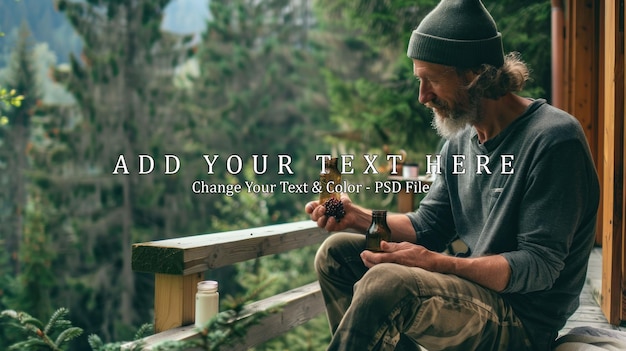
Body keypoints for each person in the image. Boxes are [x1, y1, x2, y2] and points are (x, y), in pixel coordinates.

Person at [305, 0, 601, 350]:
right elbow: (428, 226)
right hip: (473, 300)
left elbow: (538, 266)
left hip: (521, 324)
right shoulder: (460, 143)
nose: (422, 96)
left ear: (475, 75)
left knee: (387, 282)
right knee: (337, 254)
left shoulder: (553, 139)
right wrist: (356, 216)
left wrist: (437, 263)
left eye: (431, 80)